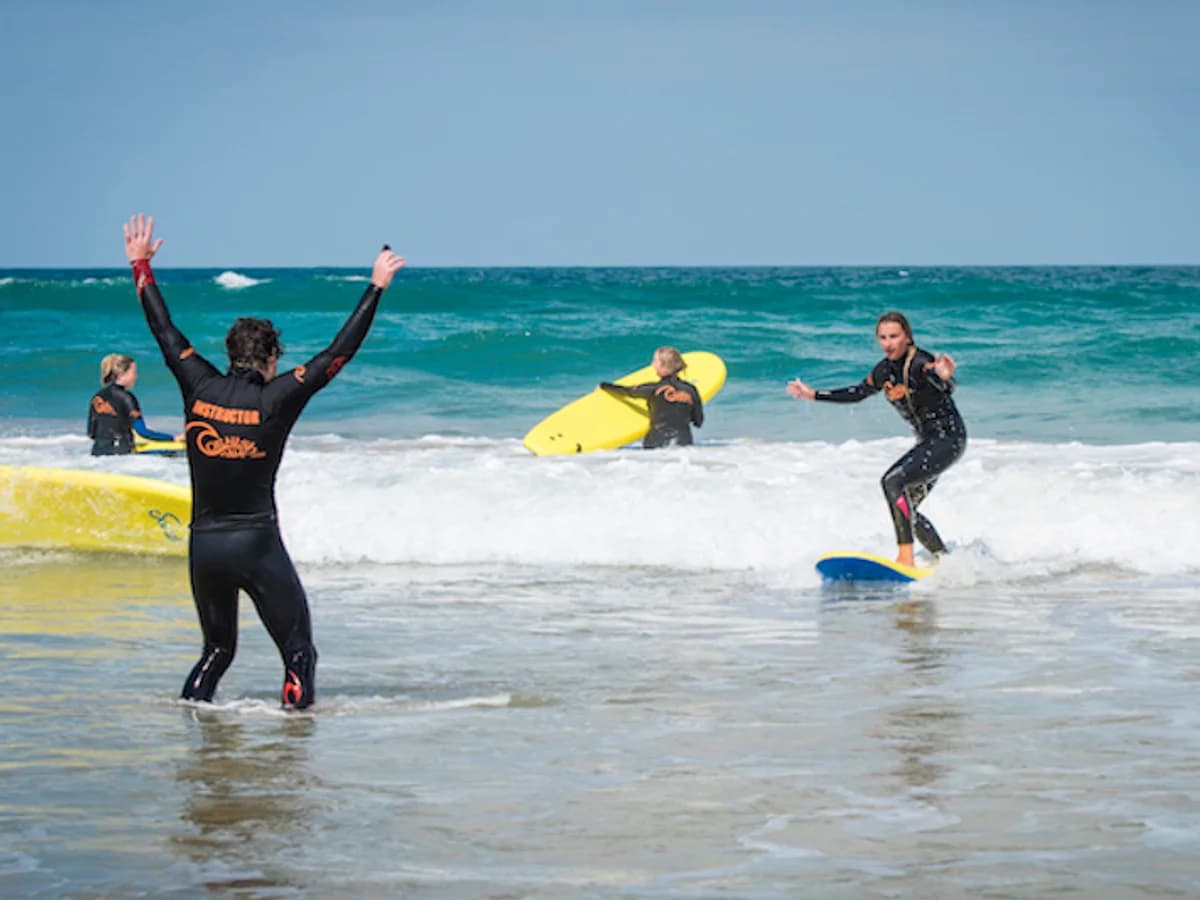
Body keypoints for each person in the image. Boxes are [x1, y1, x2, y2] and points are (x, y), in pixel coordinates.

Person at [123, 213, 405, 710]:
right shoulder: (279, 396)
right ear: (272, 357)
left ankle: (191, 730)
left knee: (216, 650)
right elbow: (339, 352)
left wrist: (140, 265)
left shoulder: (198, 382)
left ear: (229, 354)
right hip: (256, 542)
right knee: (297, 653)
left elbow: (163, 331)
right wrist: (375, 288)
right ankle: (293, 748)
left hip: (205, 546)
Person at [787, 311, 965, 568]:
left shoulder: (920, 362)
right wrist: (814, 395)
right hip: (928, 443)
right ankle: (946, 563)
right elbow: (858, 392)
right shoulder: (884, 370)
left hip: (948, 439)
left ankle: (906, 559)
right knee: (906, 509)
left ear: (907, 337)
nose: (888, 343)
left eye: (894, 336)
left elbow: (940, 383)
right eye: (882, 337)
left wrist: (945, 378)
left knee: (892, 481)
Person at [599, 346, 704, 448]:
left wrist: (604, 385)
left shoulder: (653, 389)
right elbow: (698, 422)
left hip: (656, 445)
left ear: (663, 365)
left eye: (655, 361)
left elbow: (628, 391)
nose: (652, 364)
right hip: (684, 446)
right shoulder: (691, 390)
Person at [87, 353, 179, 455]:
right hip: (122, 455)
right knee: (173, 455)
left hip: (97, 454)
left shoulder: (97, 397)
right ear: (122, 374)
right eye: (133, 372)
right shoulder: (126, 397)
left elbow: (91, 433)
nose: (136, 376)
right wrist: (173, 438)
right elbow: (143, 432)